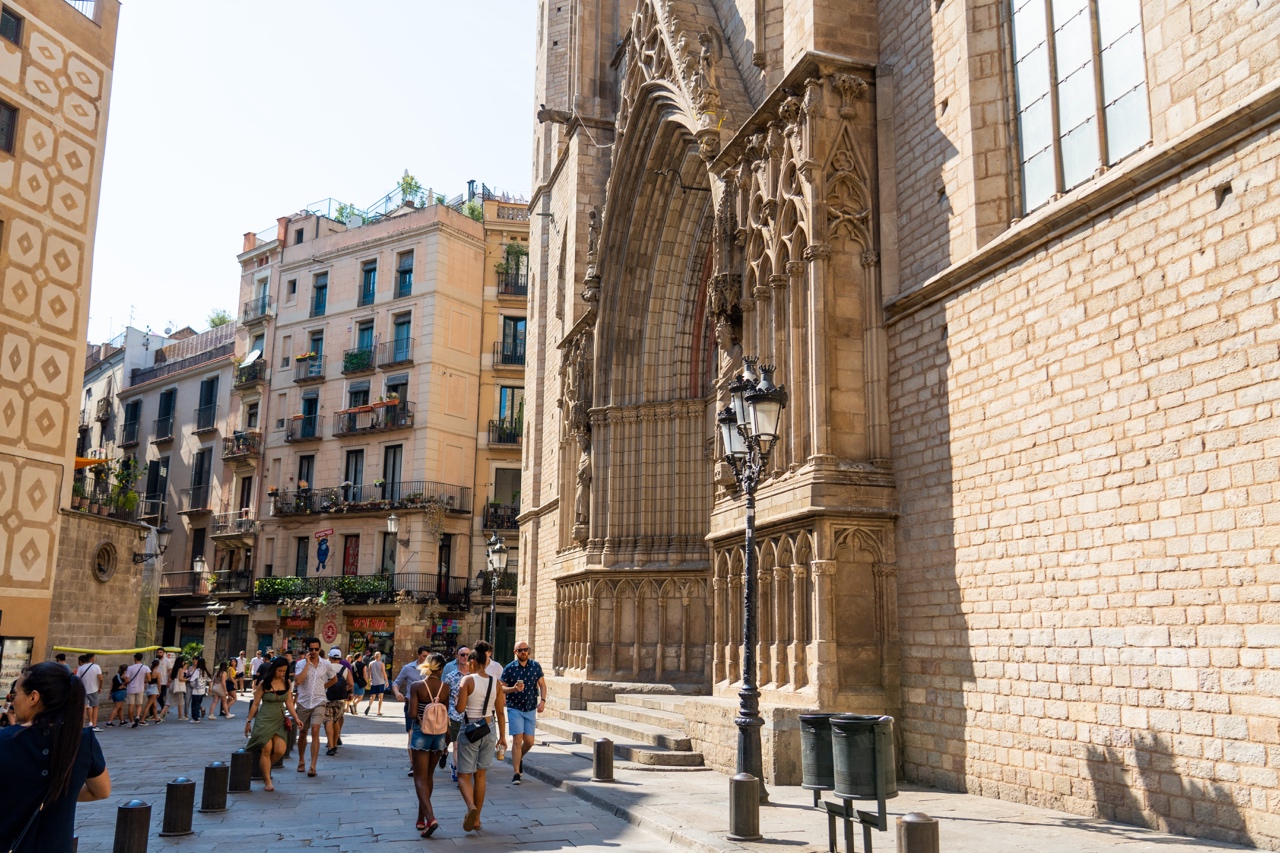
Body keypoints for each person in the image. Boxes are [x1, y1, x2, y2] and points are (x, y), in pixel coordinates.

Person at [0, 662, 111, 852]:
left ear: (33, 697)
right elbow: (101, 791)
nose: (12, 701)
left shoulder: (5, 740)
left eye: (14, 695)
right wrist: (61, 795)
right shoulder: (83, 740)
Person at [454, 647, 507, 833]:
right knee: (481, 774)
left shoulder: (467, 680)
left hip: (470, 729)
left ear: (473, 663)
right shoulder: (496, 682)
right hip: (489, 728)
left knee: (463, 774)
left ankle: (471, 807)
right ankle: (477, 821)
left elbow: (460, 709)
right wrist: (503, 737)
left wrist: (456, 698)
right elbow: (500, 711)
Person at [408, 653, 448, 837]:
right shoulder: (445, 688)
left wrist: (411, 703)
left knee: (419, 778)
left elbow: (412, 713)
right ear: (441, 669)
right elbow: (446, 712)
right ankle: (420, 818)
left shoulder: (417, 686)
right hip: (439, 735)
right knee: (429, 777)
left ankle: (431, 818)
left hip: (421, 733)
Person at [244, 656, 297, 792]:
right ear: (274, 669)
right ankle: (267, 780)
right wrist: (249, 721)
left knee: (280, 750)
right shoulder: (264, 683)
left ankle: (263, 767)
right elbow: (256, 704)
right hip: (264, 719)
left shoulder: (286, 682)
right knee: (266, 749)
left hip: (279, 719)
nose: (281, 674)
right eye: (279, 671)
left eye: (284, 671)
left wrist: (296, 718)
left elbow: (289, 702)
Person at [501, 641, 546, 784]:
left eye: (525, 649)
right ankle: (516, 773)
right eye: (520, 650)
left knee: (529, 742)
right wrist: (513, 689)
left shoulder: (535, 666)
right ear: (515, 652)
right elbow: (501, 688)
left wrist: (543, 701)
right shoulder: (509, 668)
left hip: (531, 708)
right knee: (517, 739)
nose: (523, 652)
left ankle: (518, 756)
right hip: (515, 707)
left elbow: (542, 684)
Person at [294, 637, 338, 777]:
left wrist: (323, 687)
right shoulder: (300, 664)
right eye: (311, 649)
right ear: (307, 650)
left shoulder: (326, 664)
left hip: (319, 700)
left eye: (316, 649)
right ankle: (301, 760)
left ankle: (313, 765)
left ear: (320, 649)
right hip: (303, 701)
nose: (314, 652)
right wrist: (307, 664)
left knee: (315, 729)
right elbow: (299, 682)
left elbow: (334, 679)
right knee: (303, 733)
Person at [393, 645, 431, 776]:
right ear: (418, 655)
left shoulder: (433, 669)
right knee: (411, 733)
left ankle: (426, 762)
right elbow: (396, 683)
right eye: (424, 656)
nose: (426, 659)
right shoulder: (408, 668)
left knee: (428, 734)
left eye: (428, 656)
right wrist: (397, 693)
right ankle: (413, 765)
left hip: (428, 706)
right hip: (411, 704)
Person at [441, 647, 468, 780]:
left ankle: (464, 768)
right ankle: (457, 769)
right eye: (462, 654)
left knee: (467, 745)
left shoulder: (474, 677)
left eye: (468, 655)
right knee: (456, 744)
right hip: (455, 714)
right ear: (457, 656)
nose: (465, 657)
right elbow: (444, 696)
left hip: (471, 715)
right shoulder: (450, 677)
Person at [323, 648, 352, 756]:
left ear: (330, 657)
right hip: (340, 699)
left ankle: (330, 746)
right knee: (336, 721)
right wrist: (345, 689)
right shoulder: (345, 669)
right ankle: (335, 744)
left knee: (328, 721)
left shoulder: (326, 668)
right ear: (339, 658)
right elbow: (351, 684)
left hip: (327, 698)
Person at [75, 653, 103, 732]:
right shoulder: (96, 667)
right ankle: (94, 725)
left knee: (83, 708)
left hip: (83, 690)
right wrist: (100, 687)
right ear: (92, 659)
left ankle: (82, 725)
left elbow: (77, 679)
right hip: (94, 689)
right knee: (95, 707)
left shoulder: (80, 668)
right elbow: (101, 678)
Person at [123, 653, 148, 728]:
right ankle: (137, 716)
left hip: (131, 688)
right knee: (139, 705)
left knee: (131, 705)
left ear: (135, 659)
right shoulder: (145, 667)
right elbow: (149, 678)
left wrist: (124, 684)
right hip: (140, 688)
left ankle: (132, 721)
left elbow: (127, 680)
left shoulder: (130, 668)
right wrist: (143, 681)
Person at [361, 650, 387, 716]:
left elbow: (369, 673)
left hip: (374, 682)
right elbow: (384, 673)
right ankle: (378, 711)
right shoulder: (381, 664)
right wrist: (386, 681)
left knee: (372, 696)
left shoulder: (371, 663)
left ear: (374, 656)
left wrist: (369, 681)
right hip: (380, 682)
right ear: (380, 657)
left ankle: (369, 705)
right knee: (380, 697)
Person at [188, 658, 211, 723]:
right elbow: (209, 680)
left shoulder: (197, 671)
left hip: (196, 690)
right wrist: (210, 688)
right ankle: (197, 716)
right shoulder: (205, 671)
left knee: (194, 705)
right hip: (202, 690)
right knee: (198, 704)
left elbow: (191, 679)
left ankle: (195, 718)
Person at [167, 656, 188, 721]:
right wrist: (187, 679)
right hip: (178, 687)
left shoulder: (174, 668)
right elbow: (181, 679)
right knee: (180, 702)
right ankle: (180, 716)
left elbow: (171, 677)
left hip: (172, 685)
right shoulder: (180, 669)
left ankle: (161, 715)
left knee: (168, 702)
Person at [142, 658, 163, 723]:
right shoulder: (157, 673)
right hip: (154, 689)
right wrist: (159, 691)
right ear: (158, 665)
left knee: (154, 705)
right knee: (148, 705)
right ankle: (142, 720)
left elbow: (146, 680)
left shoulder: (149, 672)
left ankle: (156, 719)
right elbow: (159, 683)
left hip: (148, 689)